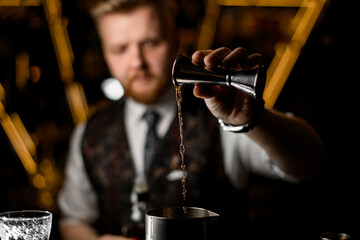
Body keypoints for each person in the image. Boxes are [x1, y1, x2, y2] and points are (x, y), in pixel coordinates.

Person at [57, 0, 325, 239]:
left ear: (176, 41)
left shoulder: (219, 113)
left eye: (151, 43)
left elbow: (308, 163)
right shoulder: (89, 132)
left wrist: (250, 118)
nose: (137, 61)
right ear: (104, 52)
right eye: (119, 49)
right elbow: (74, 219)